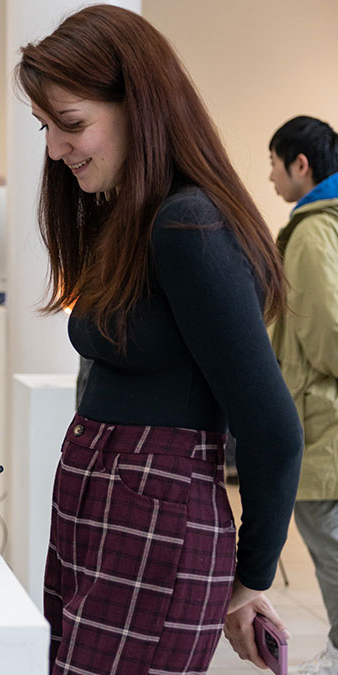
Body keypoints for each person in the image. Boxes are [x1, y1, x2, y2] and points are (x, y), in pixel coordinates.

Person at [16, 6, 304, 673]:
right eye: (46, 128)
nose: (56, 149)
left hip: (154, 530)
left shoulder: (187, 225)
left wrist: (250, 579)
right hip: (109, 516)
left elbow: (273, 429)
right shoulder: (136, 221)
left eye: (72, 123)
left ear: (138, 105)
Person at [267, 115, 338, 674]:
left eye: (274, 162)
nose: (269, 177)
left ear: (301, 164)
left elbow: (326, 335)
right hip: (326, 418)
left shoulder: (312, 230)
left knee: (329, 541)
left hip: (322, 423)